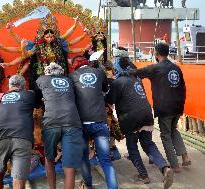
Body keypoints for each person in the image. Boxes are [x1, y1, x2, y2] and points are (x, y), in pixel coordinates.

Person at [107, 54, 174, 188]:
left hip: (131, 117)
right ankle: (165, 168)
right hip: (147, 114)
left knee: (132, 147)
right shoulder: (136, 79)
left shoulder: (117, 82)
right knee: (148, 143)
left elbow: (109, 101)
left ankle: (143, 175)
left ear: (117, 68)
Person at [131, 42, 191, 173]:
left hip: (165, 109)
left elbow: (136, 72)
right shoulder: (176, 68)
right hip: (178, 107)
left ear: (156, 54)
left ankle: (175, 165)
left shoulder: (156, 68)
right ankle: (185, 156)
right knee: (174, 130)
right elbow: (183, 87)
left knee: (165, 135)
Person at [69, 56, 118, 189]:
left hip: (81, 123)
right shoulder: (99, 72)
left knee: (84, 157)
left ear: (75, 65)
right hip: (99, 121)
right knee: (106, 161)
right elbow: (106, 90)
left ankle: (88, 185)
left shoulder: (72, 76)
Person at [36, 62, 83, 189]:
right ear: (61, 72)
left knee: (49, 159)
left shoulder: (41, 79)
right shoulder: (69, 80)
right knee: (69, 166)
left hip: (51, 121)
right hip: (72, 121)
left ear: (47, 72)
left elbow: (36, 101)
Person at [0, 75, 36, 189]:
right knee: (18, 177)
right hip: (22, 137)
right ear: (23, 86)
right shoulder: (29, 94)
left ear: (9, 86)